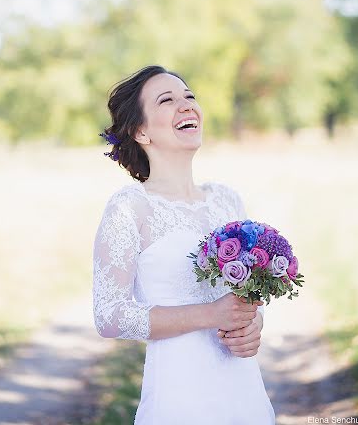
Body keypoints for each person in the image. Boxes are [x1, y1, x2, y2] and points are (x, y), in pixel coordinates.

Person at [92, 64, 275, 425]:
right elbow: (109, 316)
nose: (187, 104)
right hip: (180, 398)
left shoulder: (226, 199)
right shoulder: (131, 207)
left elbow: (246, 296)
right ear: (140, 131)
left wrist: (253, 325)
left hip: (245, 392)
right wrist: (210, 315)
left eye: (189, 96)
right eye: (167, 100)